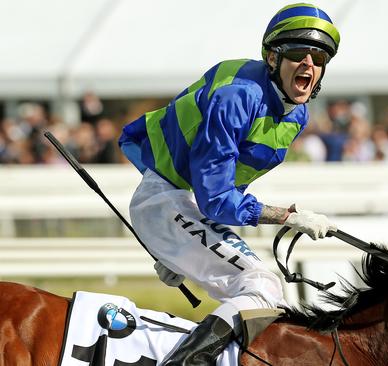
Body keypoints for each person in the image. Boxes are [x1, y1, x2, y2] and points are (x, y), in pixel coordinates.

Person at [118, 3, 340, 365]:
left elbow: (222, 191)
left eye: (319, 57)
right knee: (262, 288)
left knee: (270, 296)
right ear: (272, 58)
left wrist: (183, 251)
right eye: (298, 53)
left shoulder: (296, 114)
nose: (309, 64)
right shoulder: (237, 97)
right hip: (168, 199)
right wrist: (286, 217)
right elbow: (215, 197)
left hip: (184, 204)